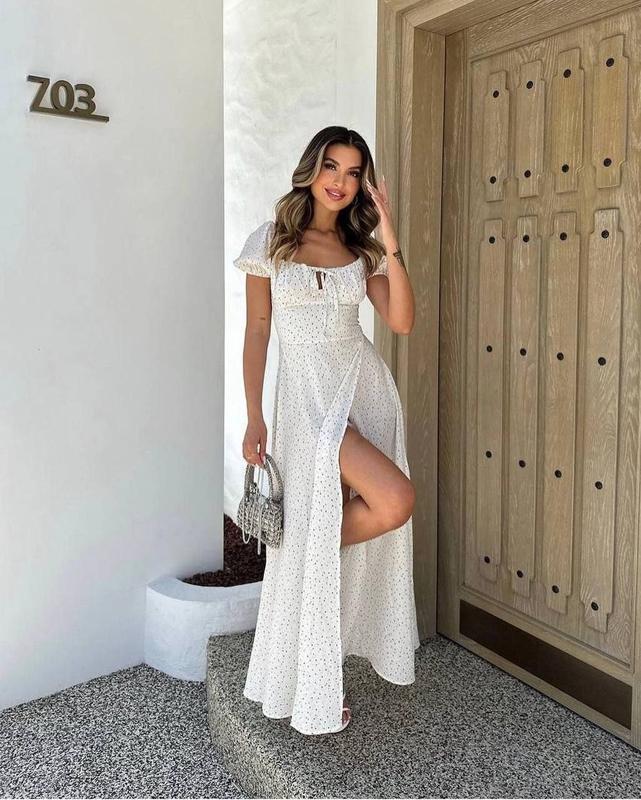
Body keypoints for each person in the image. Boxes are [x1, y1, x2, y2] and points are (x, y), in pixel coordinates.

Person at [234, 125, 420, 735]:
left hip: (361, 393)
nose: (340, 181)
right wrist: (254, 414)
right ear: (311, 169)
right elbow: (257, 331)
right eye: (331, 167)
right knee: (390, 500)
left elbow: (401, 321)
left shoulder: (361, 251)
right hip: (306, 403)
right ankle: (310, 659)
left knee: (393, 503)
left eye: (352, 172)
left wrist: (389, 238)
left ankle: (308, 571)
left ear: (363, 183)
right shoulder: (271, 242)